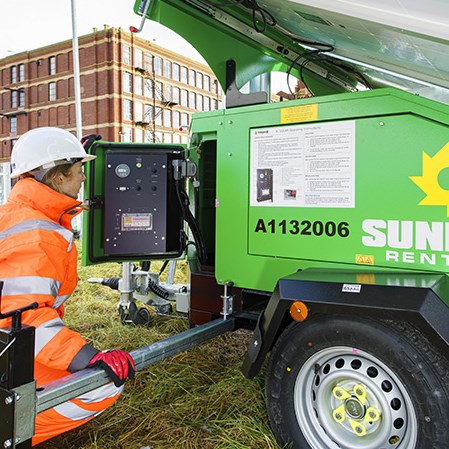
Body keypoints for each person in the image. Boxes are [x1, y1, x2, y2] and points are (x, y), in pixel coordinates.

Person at [0, 127, 135, 445]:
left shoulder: (20, 216)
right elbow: (23, 320)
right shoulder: (38, 234)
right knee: (101, 385)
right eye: (79, 170)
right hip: (8, 345)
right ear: (58, 177)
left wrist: (72, 150)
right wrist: (87, 358)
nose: (85, 179)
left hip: (8, 345)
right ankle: (11, 430)